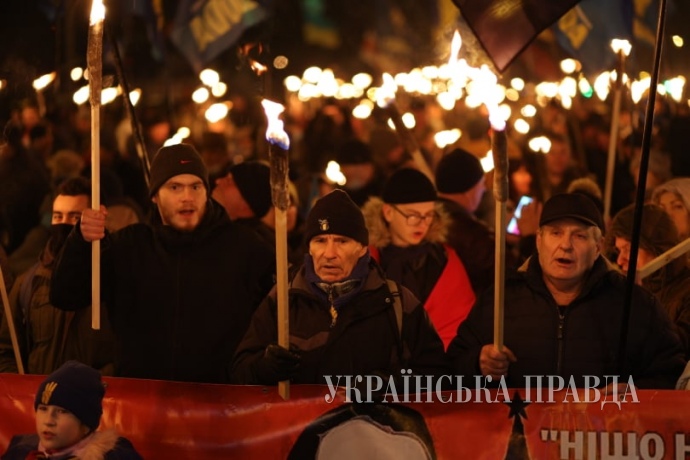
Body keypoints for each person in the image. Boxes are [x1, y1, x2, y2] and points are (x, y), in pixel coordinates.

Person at [50, 144, 275, 383]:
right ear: (155, 195)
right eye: (175, 187)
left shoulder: (245, 248)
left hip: (220, 398)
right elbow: (65, 295)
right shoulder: (129, 247)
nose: (187, 197)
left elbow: (275, 319)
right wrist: (81, 241)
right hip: (144, 398)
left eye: (195, 186)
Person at [447, 193, 686, 389]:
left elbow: (671, 371)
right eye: (556, 233)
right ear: (539, 240)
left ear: (597, 248)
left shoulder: (632, 303)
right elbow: (452, 368)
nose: (565, 245)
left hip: (601, 432)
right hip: (519, 433)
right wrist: (478, 364)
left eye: (579, 236)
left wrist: (636, 391)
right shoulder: (502, 298)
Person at [230, 189, 447, 386]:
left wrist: (389, 383)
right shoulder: (284, 299)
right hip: (303, 419)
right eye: (320, 241)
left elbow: (437, 374)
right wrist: (265, 367)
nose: (329, 253)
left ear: (362, 248)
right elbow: (239, 371)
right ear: (309, 247)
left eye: (342, 241)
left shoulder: (396, 302)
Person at [0, 177, 116, 374]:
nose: (64, 224)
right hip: (40, 392)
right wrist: (24, 388)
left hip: (98, 393)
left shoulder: (115, 277)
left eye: (75, 217)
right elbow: (7, 350)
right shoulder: (29, 282)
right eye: (58, 216)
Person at [363, 168, 475, 349]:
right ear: (388, 212)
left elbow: (458, 321)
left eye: (429, 215)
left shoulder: (444, 260)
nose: (422, 223)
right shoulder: (365, 259)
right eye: (413, 215)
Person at [1, 360, 142, 460]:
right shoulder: (20, 451)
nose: (48, 421)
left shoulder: (115, 456)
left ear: (85, 426)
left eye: (62, 411)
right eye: (43, 409)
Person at [608, 203, 690, 359]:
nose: (620, 260)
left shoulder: (686, 290)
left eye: (628, 249)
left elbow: (679, 347)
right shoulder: (621, 289)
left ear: (656, 248)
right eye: (619, 250)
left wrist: (641, 305)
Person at [435, 148, 517, 295]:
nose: (484, 189)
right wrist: (529, 239)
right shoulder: (472, 234)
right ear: (468, 189)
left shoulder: (426, 221)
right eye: (482, 183)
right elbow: (511, 275)